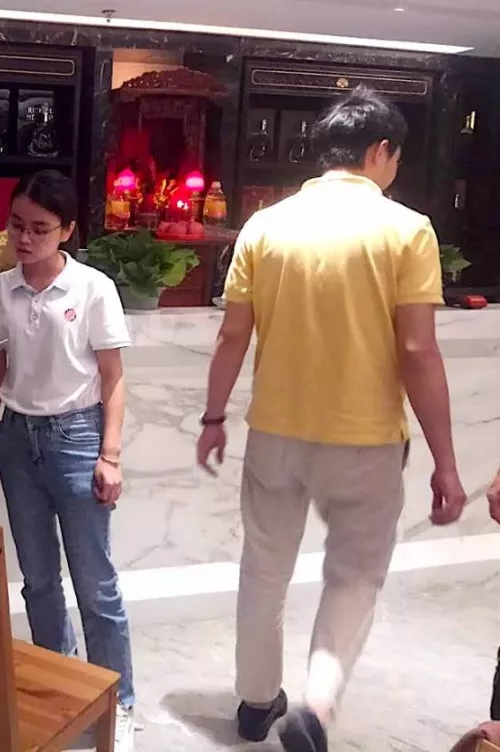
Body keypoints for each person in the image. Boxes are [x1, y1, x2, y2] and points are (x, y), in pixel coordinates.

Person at [196, 87, 467, 752]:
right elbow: (417, 351)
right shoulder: (406, 230)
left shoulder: (266, 226)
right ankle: (315, 706)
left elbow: (232, 337)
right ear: (381, 151)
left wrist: (213, 417)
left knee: (264, 568)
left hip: (275, 434)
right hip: (365, 442)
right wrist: (446, 462)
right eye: (395, 157)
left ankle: (255, 701)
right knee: (353, 576)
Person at [0, 170, 138, 752]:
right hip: (18, 441)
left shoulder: (93, 289)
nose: (24, 238)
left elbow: (113, 378)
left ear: (67, 230)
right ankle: (58, 690)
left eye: (39, 229)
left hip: (77, 437)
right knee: (38, 581)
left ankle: (118, 702)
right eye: (17, 225)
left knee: (95, 583)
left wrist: (109, 455)